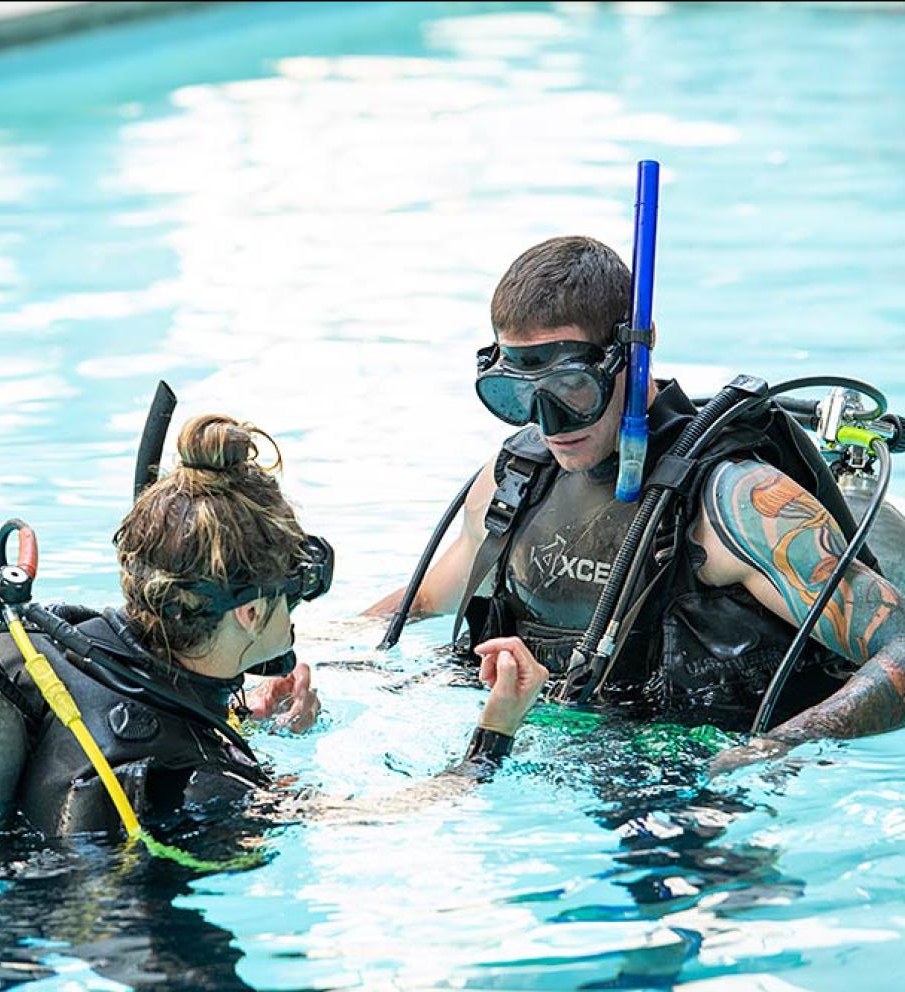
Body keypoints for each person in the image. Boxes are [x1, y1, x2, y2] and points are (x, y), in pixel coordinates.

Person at [367, 235, 905, 761]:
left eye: (572, 388)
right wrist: (303, 649)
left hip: (708, 771)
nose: (549, 425)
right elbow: (423, 602)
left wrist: (777, 748)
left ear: (630, 355)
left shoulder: (737, 504)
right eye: (521, 395)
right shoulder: (516, 477)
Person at [0, 414, 547, 837]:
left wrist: (241, 716)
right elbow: (386, 815)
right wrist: (493, 734)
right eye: (295, 592)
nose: (296, 611)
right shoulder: (201, 781)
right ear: (250, 613)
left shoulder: (51, 635)